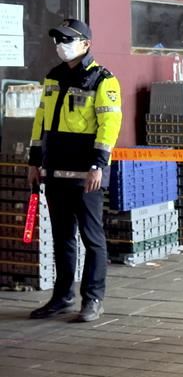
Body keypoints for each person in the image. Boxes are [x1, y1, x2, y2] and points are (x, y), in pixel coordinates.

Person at [28, 18, 122, 323]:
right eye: (58, 39)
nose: (61, 45)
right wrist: (34, 162)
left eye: (68, 39)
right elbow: (41, 121)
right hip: (55, 171)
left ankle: (93, 298)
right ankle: (63, 297)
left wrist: (98, 165)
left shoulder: (103, 80)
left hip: (87, 175)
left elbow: (109, 127)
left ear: (86, 44)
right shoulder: (52, 77)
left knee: (92, 238)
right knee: (62, 238)